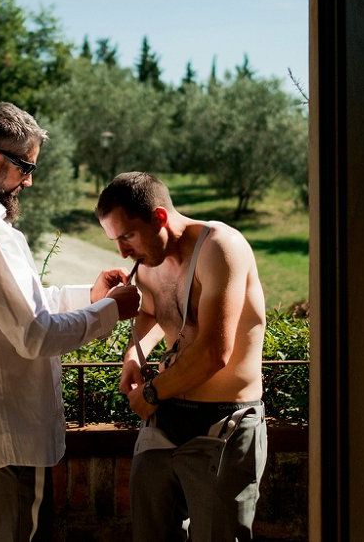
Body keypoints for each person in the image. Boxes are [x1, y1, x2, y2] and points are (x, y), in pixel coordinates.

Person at [0, 101, 141, 541]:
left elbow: (9, 312)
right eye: (25, 166)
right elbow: (35, 335)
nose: (29, 180)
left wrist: (90, 297)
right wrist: (112, 310)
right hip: (6, 441)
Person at [95, 172, 267, 541]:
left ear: (159, 217)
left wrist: (152, 394)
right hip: (164, 421)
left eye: (127, 236)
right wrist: (133, 355)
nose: (123, 252)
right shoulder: (149, 260)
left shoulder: (220, 247)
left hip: (224, 423)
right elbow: (153, 313)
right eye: (114, 240)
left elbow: (214, 352)